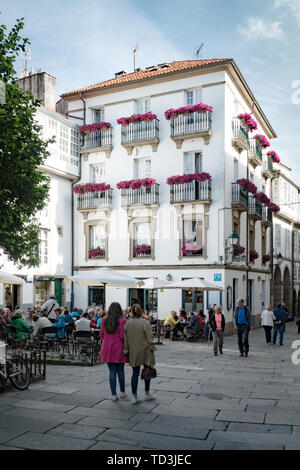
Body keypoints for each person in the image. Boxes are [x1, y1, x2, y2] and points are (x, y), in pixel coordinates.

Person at [124, 304, 156, 404]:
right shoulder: (145, 323)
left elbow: (125, 339)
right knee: (147, 370)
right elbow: (150, 338)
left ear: (132, 312)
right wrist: (152, 348)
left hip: (134, 351)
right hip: (145, 350)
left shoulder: (128, 323)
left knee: (135, 373)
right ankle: (147, 393)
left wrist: (126, 350)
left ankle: (134, 396)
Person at [99, 302, 128, 402]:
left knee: (112, 371)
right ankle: (122, 392)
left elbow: (101, 335)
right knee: (120, 370)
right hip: (118, 348)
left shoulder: (104, 319)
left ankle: (113, 394)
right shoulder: (122, 321)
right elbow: (122, 336)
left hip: (107, 348)